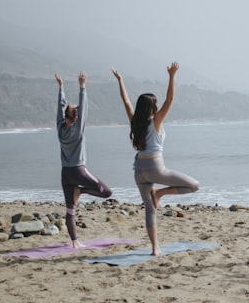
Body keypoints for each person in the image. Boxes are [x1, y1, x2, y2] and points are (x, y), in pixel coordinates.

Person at [111, 63, 199, 256]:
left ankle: (155, 248)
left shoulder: (135, 121)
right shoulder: (155, 121)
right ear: (153, 107)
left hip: (138, 171)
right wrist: (172, 76)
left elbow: (125, 101)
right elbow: (170, 99)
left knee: (149, 210)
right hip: (155, 168)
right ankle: (160, 193)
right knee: (194, 186)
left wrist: (120, 81)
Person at [55, 71, 113, 248]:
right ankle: (82, 192)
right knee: (106, 192)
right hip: (79, 171)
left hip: (66, 173)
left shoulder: (60, 128)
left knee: (70, 209)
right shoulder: (78, 129)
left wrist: (61, 88)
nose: (78, 110)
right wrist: (82, 86)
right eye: (76, 110)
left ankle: (75, 242)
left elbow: (61, 107)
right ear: (76, 116)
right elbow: (84, 106)